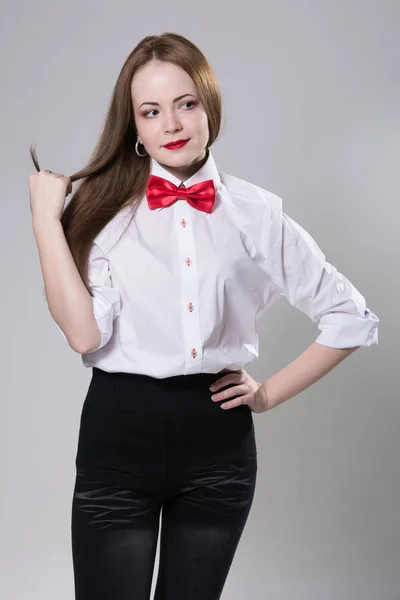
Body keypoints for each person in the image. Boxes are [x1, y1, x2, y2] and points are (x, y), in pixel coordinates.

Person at [28, 32, 379, 600]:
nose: (172, 124)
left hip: (217, 449)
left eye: (186, 104)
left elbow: (350, 317)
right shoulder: (106, 215)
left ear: (209, 106)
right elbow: (83, 334)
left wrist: (266, 395)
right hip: (118, 440)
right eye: (151, 111)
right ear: (134, 128)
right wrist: (47, 222)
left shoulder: (256, 213)